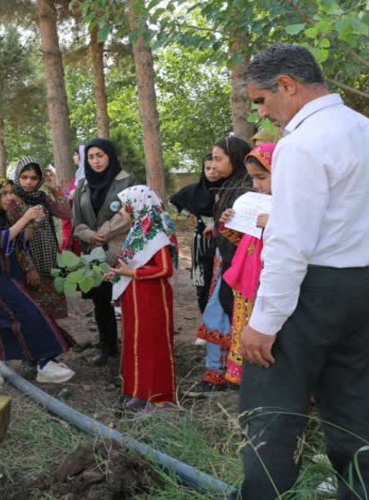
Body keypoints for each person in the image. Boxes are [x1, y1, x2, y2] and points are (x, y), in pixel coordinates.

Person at [236, 44, 369, 499]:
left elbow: (290, 243)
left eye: (262, 101)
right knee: (354, 408)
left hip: (311, 289)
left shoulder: (303, 145)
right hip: (358, 286)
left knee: (271, 408)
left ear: (287, 85)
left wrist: (263, 323)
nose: (264, 115)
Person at [0, 175, 76, 386]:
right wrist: (25, 217)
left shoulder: (1, 215)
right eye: (3, 193)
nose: (9, 197)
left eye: (10, 192)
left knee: (6, 320)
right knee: (31, 313)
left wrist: (35, 222)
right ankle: (44, 362)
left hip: (12, 273)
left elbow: (21, 239)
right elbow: (2, 238)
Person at [186, 135, 252, 397]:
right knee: (222, 316)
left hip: (237, 265)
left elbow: (246, 232)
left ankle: (219, 375)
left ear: (235, 159)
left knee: (220, 316)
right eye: (211, 158)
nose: (212, 163)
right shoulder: (230, 186)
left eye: (218, 158)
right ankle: (222, 373)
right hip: (225, 261)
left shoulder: (244, 189)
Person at [109, 185, 178, 414]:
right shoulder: (139, 230)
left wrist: (132, 273)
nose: (122, 212)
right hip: (136, 296)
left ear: (136, 206)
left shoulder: (155, 234)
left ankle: (155, 395)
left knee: (150, 342)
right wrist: (119, 272)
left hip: (151, 298)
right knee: (135, 341)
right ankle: (138, 390)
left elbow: (165, 269)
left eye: (125, 207)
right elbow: (133, 262)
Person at [72, 138, 136, 366]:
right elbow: (76, 221)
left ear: (110, 155)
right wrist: (90, 236)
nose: (96, 161)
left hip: (122, 251)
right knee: (101, 301)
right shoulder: (82, 186)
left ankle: (134, 347)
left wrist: (104, 233)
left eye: (100, 155)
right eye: (91, 157)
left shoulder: (127, 180)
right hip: (93, 253)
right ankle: (107, 347)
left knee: (128, 299)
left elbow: (132, 213)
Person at [217, 143, 275, 387]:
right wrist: (231, 224)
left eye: (261, 177)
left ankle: (268, 387)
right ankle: (250, 383)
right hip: (245, 279)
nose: (256, 186)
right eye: (252, 178)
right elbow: (246, 243)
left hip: (269, 286)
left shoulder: (295, 208)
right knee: (244, 329)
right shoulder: (258, 203)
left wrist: (275, 224)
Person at [13, 156, 72, 319]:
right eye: (24, 177)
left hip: (48, 260)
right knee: (30, 312)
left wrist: (54, 188)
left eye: (34, 178)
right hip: (27, 261)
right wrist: (29, 268)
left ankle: (52, 342)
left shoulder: (42, 197)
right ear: (17, 176)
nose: (28, 182)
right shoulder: (13, 200)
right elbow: (17, 239)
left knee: (49, 315)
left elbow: (66, 214)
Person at [169, 152, 223, 313]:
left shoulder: (228, 190)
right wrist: (191, 215)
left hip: (223, 240)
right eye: (208, 168)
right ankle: (205, 321)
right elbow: (172, 202)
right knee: (202, 281)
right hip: (201, 241)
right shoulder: (193, 190)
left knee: (221, 280)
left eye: (215, 168)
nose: (212, 172)